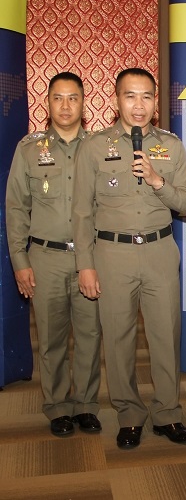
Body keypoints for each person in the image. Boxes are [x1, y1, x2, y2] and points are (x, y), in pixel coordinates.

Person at [73, 67, 186, 449]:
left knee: (166, 337)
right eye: (130, 96)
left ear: (155, 102)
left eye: (146, 96)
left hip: (159, 252)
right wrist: (85, 265)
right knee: (118, 339)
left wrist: (158, 181)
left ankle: (167, 413)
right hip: (112, 255)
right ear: (116, 100)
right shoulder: (95, 147)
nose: (139, 105)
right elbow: (82, 212)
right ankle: (128, 415)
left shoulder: (171, 145)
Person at [5, 72, 102, 437]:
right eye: (58, 98)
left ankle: (86, 405)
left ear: (83, 103)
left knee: (90, 335)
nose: (65, 106)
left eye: (73, 98)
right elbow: (16, 208)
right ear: (47, 103)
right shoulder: (29, 149)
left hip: (90, 259)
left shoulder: (100, 148)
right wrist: (20, 261)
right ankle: (58, 406)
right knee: (51, 339)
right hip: (45, 258)